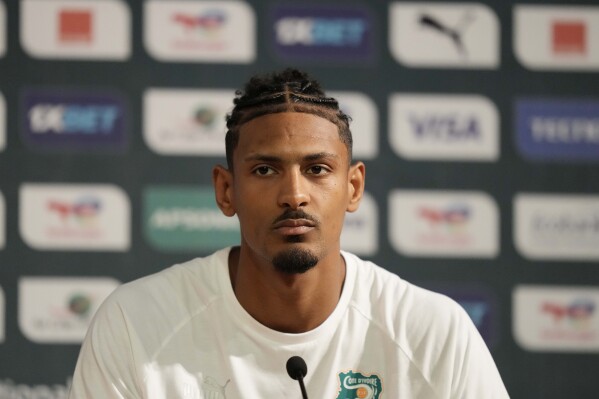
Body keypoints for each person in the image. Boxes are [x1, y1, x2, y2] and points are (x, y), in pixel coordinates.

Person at [69, 68, 509, 398]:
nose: (294, 195)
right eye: (265, 170)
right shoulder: (136, 324)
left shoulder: (430, 332)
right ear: (227, 191)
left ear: (352, 188)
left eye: (317, 169)